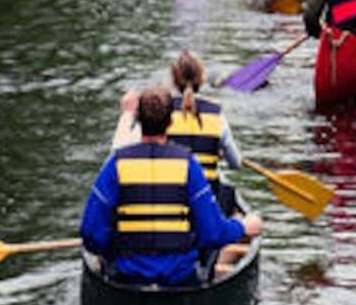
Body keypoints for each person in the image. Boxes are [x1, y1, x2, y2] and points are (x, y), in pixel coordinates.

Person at [81, 85, 261, 286]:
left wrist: (111, 251)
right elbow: (213, 232)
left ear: (138, 119)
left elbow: (91, 234)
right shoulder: (188, 165)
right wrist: (243, 227)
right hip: (179, 278)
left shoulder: (115, 165)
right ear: (170, 123)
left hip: (127, 276)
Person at [112, 51, 245, 214]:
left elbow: (123, 151)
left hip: (169, 198)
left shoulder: (160, 111)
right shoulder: (217, 115)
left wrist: (127, 115)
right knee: (228, 195)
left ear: (173, 80)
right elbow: (235, 164)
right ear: (201, 79)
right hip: (207, 203)